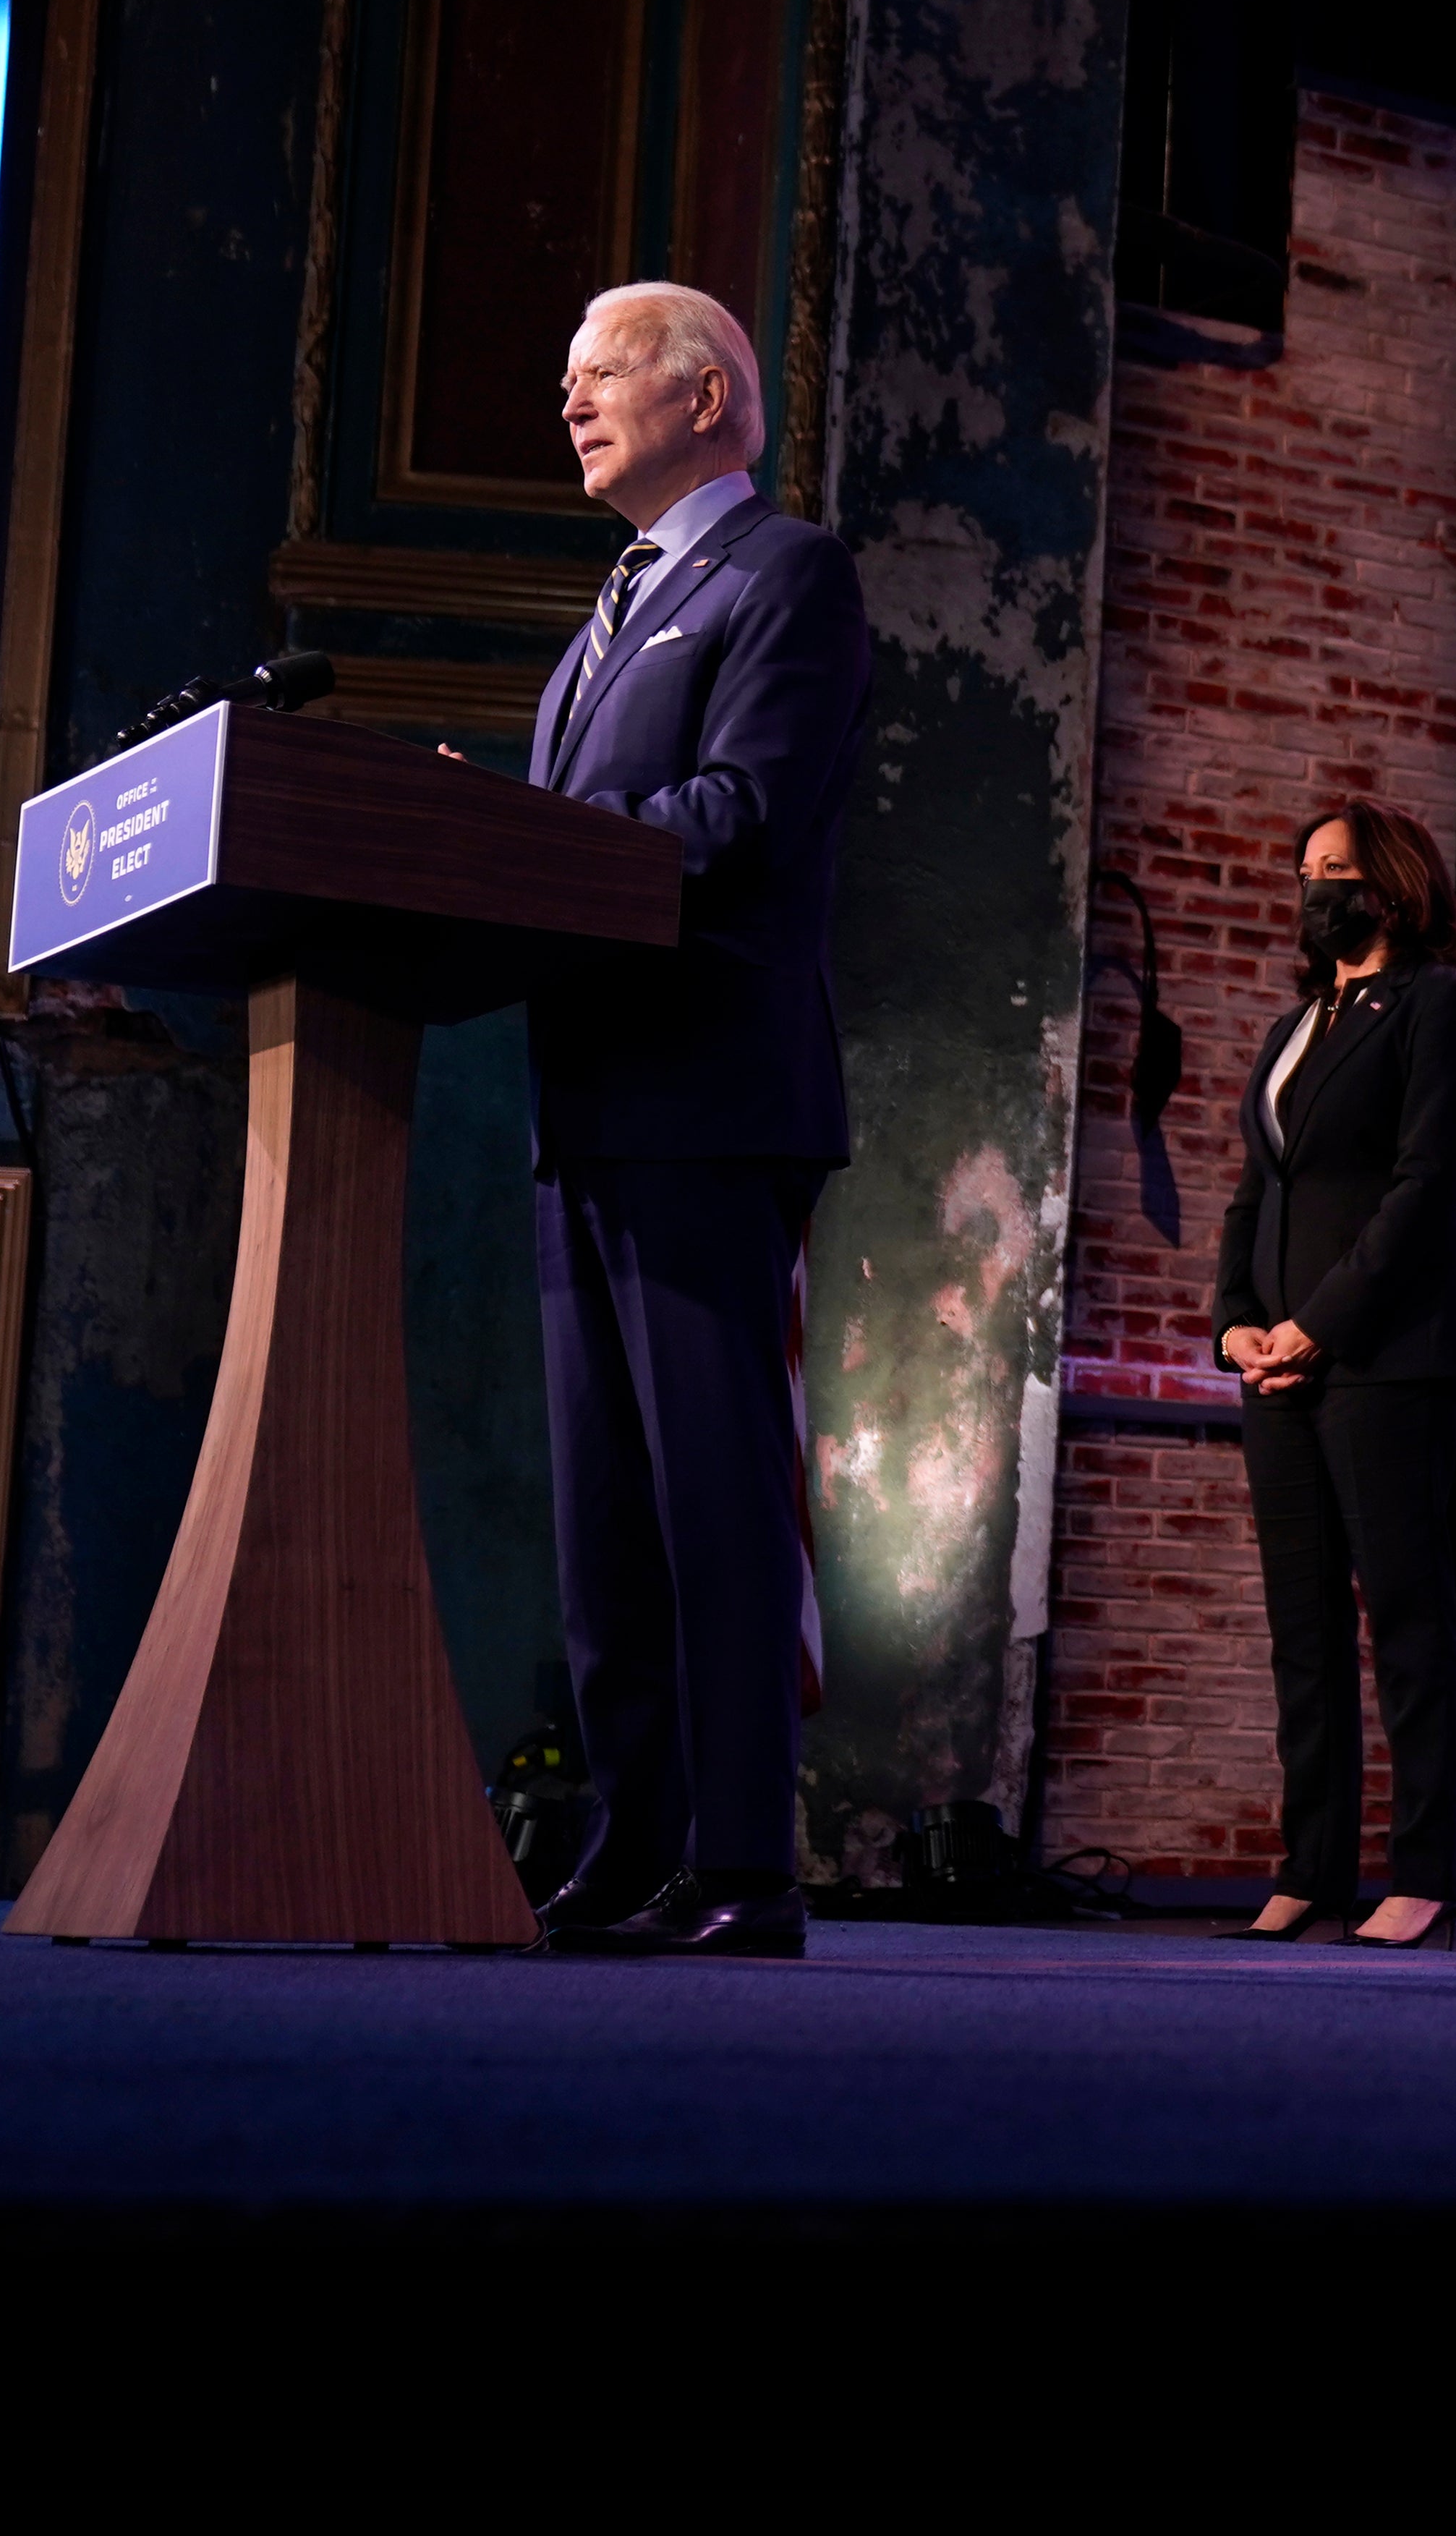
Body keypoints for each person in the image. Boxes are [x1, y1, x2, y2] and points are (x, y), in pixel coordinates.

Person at [520, 281, 872, 1960]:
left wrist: (528, 840)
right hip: (582, 1107)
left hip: (710, 1101)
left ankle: (744, 1856)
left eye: (601, 379)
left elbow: (740, 809)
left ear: (710, 398)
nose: (570, 405)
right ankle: (632, 1837)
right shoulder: (609, 604)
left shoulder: (783, 572)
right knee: (603, 1509)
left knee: (711, 1494)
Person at [1214, 799, 1456, 1947]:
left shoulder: (1445, 1003)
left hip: (1393, 1353)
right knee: (1302, 1626)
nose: (1312, 887)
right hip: (1280, 1363)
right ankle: (1310, 1866)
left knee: (1407, 1617)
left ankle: (1424, 1869)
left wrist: (1320, 1325)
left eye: (1333, 868)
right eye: (1303, 872)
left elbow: (1423, 1185)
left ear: (1389, 884)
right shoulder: (1295, 1025)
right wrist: (1238, 1323)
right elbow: (1258, 1193)